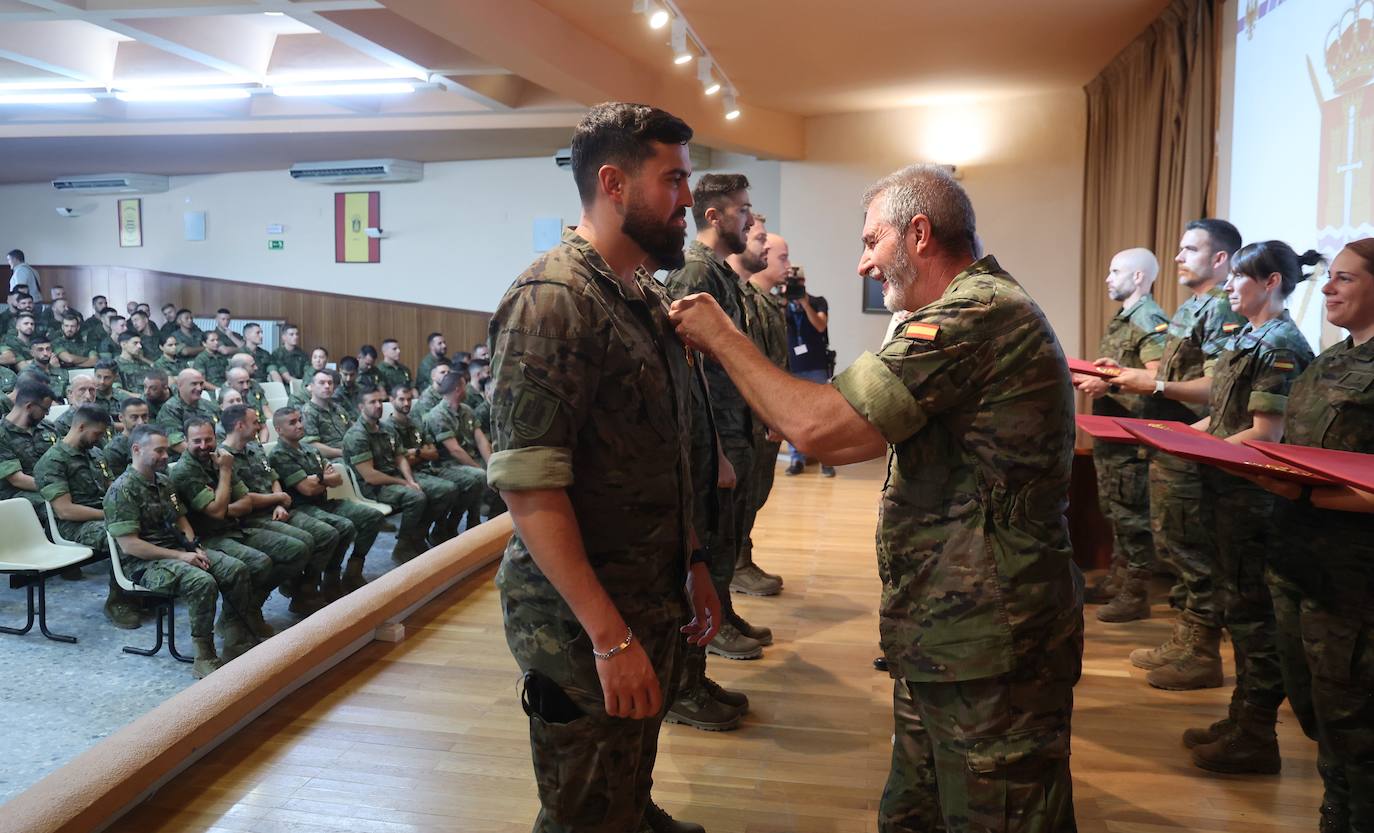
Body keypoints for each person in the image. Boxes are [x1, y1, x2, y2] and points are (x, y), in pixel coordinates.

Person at [670, 163, 1082, 833]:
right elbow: (861, 440)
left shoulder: (974, 315)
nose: (863, 263)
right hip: (951, 632)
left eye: (872, 241)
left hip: (993, 642)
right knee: (914, 812)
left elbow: (822, 429)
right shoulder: (969, 310)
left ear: (919, 233)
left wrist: (721, 335)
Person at [487, 102, 716, 833]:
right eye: (674, 180)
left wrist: (695, 561)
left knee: (629, 761)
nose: (688, 201)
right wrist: (609, 636)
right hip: (580, 618)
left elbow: (665, 451)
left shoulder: (642, 296)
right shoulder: (552, 301)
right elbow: (529, 486)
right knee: (582, 806)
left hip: (647, 590)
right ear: (614, 183)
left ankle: (637, 810)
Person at [1164, 241, 1316, 775]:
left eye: (1239, 279)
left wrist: (1199, 449)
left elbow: (1265, 434)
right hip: (1227, 491)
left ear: (1271, 282)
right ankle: (1240, 718)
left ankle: (1257, 734)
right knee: (1237, 607)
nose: (1228, 286)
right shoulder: (1246, 338)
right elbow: (1226, 418)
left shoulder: (1282, 345)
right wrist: (1176, 436)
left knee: (1255, 618)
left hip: (1254, 499)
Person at [1247, 238, 1374, 832]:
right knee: (1313, 704)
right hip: (1296, 559)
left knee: (1356, 717)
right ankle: (1336, 805)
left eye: (1344, 278)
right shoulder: (1328, 362)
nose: (1326, 287)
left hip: (1355, 577)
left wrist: (1315, 494)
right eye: (1330, 277)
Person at [1108, 219, 1247, 690]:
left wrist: (1155, 384)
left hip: (1198, 447)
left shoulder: (1228, 308)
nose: (1178, 257)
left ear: (1221, 259)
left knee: (1195, 550)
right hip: (1175, 445)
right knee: (1174, 546)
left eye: (1190, 249)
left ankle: (1203, 651)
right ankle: (1186, 639)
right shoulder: (1191, 306)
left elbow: (1217, 390)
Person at [664, 172, 770, 667]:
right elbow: (691, 370)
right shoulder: (693, 272)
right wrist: (719, 450)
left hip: (733, 428)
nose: (749, 219)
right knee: (708, 541)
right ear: (714, 215)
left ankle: (723, 613)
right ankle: (707, 636)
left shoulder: (720, 273)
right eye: (743, 210)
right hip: (714, 437)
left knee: (726, 538)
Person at [104, 423, 259, 677]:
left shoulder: (164, 482)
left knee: (235, 569)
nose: (166, 456)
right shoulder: (122, 490)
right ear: (136, 449)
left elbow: (181, 519)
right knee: (201, 581)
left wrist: (193, 546)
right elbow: (129, 545)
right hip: (142, 564)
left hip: (177, 550)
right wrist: (181, 555)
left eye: (167, 450)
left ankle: (235, 634)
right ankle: (204, 655)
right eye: (159, 451)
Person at [1073, 248, 1169, 620]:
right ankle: (1119, 577)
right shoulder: (1126, 316)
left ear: (1140, 277)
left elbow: (1156, 376)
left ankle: (1135, 593)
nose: (1108, 278)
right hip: (1113, 434)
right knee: (1116, 509)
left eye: (1116, 271)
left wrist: (1109, 386)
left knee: (1132, 515)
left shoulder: (1148, 317)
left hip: (1132, 436)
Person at [168, 417, 303, 621]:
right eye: (196, 441)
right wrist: (225, 473)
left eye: (208, 439)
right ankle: (234, 623)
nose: (204, 446)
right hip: (208, 537)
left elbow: (246, 502)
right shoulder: (186, 471)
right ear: (186, 441)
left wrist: (221, 503)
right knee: (259, 563)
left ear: (215, 437)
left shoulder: (221, 458)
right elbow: (216, 513)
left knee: (297, 549)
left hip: (235, 528)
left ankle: (250, 607)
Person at [220, 404, 337, 615]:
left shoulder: (254, 448)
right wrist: (279, 498)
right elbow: (243, 498)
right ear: (239, 425)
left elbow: (272, 477)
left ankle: (304, 590)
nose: (260, 426)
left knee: (327, 534)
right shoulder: (224, 459)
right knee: (300, 546)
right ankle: (255, 602)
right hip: (249, 519)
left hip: (276, 510)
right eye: (255, 422)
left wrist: (280, 503)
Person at [35, 404, 142, 627]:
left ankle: (145, 589)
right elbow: (65, 510)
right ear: (81, 427)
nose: (101, 438)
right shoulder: (52, 461)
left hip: (103, 515)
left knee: (147, 522)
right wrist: (110, 515)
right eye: (98, 433)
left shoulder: (95, 454)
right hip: (73, 525)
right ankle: (118, 601)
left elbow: (113, 487)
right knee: (120, 534)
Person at [728, 222, 789, 598]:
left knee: (756, 492)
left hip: (765, 414)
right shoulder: (742, 296)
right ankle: (736, 565)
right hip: (750, 417)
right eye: (764, 243)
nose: (772, 255)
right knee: (743, 496)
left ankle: (741, 560)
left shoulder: (762, 300)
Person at [269, 406, 383, 597]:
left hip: (323, 502)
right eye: (292, 422)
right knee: (342, 528)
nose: (299, 425)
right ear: (279, 430)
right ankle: (312, 584)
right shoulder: (279, 454)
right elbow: (306, 489)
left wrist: (319, 479)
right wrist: (324, 479)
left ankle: (353, 570)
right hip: (301, 508)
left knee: (373, 517)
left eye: (300, 420)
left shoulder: (310, 449)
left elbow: (336, 479)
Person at [342, 388, 444, 562]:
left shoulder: (386, 428)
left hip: (392, 479)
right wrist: (403, 482)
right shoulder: (357, 435)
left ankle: (417, 537)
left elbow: (400, 457)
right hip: (372, 488)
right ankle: (402, 545)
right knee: (416, 497)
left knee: (441, 491)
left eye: (380, 401)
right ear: (361, 407)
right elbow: (370, 476)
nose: (378, 406)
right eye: (372, 402)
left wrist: (410, 480)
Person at [382, 384, 471, 540]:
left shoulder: (416, 423)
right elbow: (399, 461)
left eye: (409, 399)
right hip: (404, 474)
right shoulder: (387, 428)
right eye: (401, 399)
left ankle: (437, 529)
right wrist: (421, 453)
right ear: (391, 400)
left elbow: (434, 453)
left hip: (426, 469)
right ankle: (413, 536)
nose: (406, 403)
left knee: (465, 483)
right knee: (447, 489)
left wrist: (416, 452)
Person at [418, 373, 488, 535]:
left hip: (467, 460)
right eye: (465, 385)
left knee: (492, 472)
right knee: (479, 476)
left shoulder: (466, 410)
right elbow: (454, 450)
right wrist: (480, 467)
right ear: (458, 389)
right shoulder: (438, 415)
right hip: (446, 464)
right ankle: (454, 523)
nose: (468, 389)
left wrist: (491, 463)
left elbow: (481, 440)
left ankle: (474, 521)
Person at [782, 264, 833, 477]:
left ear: (804, 282)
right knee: (792, 415)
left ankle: (826, 459)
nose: (796, 286)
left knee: (821, 415)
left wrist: (804, 303)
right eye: (791, 283)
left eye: (798, 282)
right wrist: (782, 300)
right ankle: (796, 459)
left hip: (816, 366)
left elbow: (820, 325)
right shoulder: (780, 305)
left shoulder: (817, 301)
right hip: (791, 366)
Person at [0, 379, 60, 515]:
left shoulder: (47, 427)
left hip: (53, 486)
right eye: (45, 409)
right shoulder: (2, 434)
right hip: (19, 495)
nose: (47, 414)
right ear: (29, 406)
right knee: (56, 507)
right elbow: (17, 480)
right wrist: (58, 487)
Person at [156, 368, 220, 454]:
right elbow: (177, 444)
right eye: (194, 384)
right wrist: (208, 456)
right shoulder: (170, 409)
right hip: (184, 459)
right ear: (180, 385)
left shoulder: (209, 405)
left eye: (201, 384)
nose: (199, 388)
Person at [301, 370, 353, 460]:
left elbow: (353, 428)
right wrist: (341, 453)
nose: (327, 386)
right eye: (322, 383)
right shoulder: (308, 412)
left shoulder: (337, 408)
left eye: (330, 383)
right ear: (312, 387)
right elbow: (312, 445)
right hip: (330, 459)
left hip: (350, 450)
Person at [104, 396, 150, 478]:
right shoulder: (114, 449)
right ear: (121, 418)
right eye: (134, 417)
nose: (140, 422)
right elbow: (118, 484)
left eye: (144, 416)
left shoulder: (152, 441)